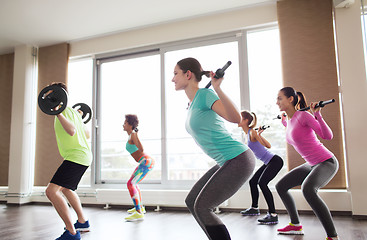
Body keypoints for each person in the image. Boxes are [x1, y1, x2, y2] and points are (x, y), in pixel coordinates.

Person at [172, 57, 255, 240]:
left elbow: (236, 119)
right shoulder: (194, 102)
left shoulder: (205, 95)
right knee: (192, 201)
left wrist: (217, 88)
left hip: (238, 158)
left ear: (188, 74)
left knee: (202, 206)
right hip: (226, 161)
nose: (173, 79)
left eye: (175, 73)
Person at [275, 87, 339, 240]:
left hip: (326, 162)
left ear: (290, 99)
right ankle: (295, 225)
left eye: (279, 98)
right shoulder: (290, 120)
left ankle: (333, 237)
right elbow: (295, 133)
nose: (276, 102)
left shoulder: (303, 115)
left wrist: (317, 115)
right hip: (311, 164)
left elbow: (327, 136)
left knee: (308, 189)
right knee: (281, 186)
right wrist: (285, 122)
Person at [44, 82, 92, 240]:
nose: (48, 97)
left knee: (51, 191)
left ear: (59, 95)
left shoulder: (63, 112)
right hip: (83, 156)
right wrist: (77, 119)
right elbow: (87, 134)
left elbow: (71, 131)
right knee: (66, 189)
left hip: (76, 157)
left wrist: (58, 114)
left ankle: (71, 232)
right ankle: (82, 222)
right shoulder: (73, 112)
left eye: (51, 94)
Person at [238, 110, 284, 224]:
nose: (237, 119)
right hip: (268, 162)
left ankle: (273, 214)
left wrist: (258, 135)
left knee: (262, 183)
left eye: (240, 117)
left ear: (246, 120)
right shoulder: (246, 134)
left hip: (275, 161)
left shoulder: (252, 132)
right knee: (253, 182)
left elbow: (268, 145)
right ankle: (254, 208)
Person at [123, 114, 155, 222]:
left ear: (130, 124)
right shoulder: (131, 135)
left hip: (146, 161)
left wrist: (136, 135)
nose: (123, 125)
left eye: (125, 123)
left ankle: (139, 212)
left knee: (130, 183)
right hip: (145, 162)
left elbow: (141, 149)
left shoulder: (133, 135)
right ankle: (140, 208)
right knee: (133, 183)